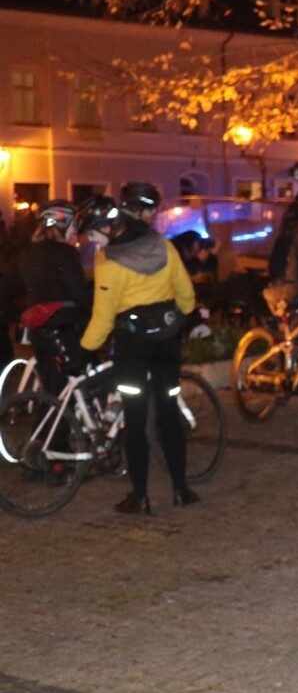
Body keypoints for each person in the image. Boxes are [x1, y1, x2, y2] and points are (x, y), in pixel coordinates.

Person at [77, 195, 199, 514]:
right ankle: (181, 489)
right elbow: (185, 291)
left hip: (132, 347)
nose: (91, 242)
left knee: (134, 418)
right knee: (168, 414)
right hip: (167, 342)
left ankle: (140, 495)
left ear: (107, 228)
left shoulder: (109, 263)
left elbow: (103, 316)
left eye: (92, 234)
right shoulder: (162, 244)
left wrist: (84, 350)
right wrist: (184, 313)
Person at [7, 201, 91, 393]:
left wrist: (18, 314)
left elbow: (7, 288)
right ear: (64, 225)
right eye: (73, 225)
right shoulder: (66, 253)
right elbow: (80, 295)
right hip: (66, 330)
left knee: (51, 389)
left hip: (39, 331)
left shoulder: (27, 253)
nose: (75, 230)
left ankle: (48, 421)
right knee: (71, 389)